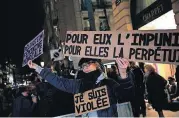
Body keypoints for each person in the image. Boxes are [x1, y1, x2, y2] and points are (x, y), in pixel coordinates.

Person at [27, 58, 135, 117]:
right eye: (83, 66)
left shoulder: (109, 83)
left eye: (89, 64)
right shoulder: (79, 84)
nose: (86, 67)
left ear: (97, 65)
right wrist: (37, 68)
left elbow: (126, 95)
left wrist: (123, 72)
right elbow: (58, 81)